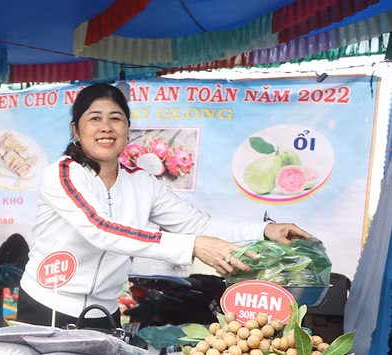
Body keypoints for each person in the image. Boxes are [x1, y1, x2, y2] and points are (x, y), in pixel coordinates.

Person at [18, 83, 311, 329]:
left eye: (116, 119)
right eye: (94, 118)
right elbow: (101, 229)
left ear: (128, 129)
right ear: (76, 130)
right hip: (51, 304)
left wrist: (265, 229)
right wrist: (193, 246)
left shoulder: (142, 183)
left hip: (105, 312)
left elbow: (200, 226)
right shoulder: (63, 174)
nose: (106, 127)